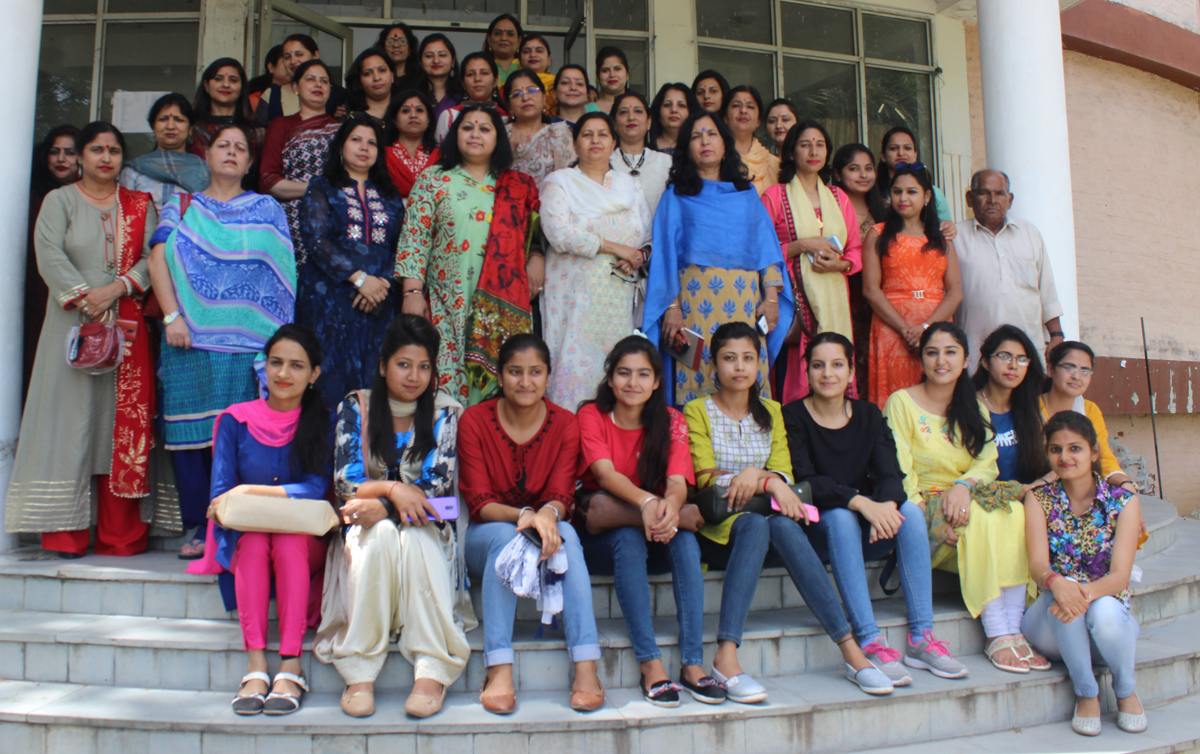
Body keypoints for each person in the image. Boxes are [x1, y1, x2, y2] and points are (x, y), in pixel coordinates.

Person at [686, 323, 895, 697]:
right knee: (754, 523)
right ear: (713, 366)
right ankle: (726, 655)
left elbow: (786, 470)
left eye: (748, 358)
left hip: (769, 523)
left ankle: (851, 651)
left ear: (760, 365)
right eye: (729, 358)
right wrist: (763, 479)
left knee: (780, 527)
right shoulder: (696, 410)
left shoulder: (772, 411)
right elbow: (706, 478)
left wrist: (767, 478)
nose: (739, 367)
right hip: (722, 530)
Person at [7, 122, 157, 558]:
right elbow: (47, 251)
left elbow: (154, 256)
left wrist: (117, 289)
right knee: (67, 424)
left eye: (113, 150)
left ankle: (120, 536)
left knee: (119, 427)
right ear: (81, 158)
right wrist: (84, 297)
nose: (105, 157)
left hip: (126, 327)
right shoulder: (60, 200)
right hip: (70, 327)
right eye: (96, 150)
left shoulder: (139, 205)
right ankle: (64, 535)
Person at [149, 123, 296, 561]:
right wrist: (173, 316)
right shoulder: (183, 204)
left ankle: (235, 523)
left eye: (240, 149)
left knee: (235, 438)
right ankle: (200, 524)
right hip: (188, 339)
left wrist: (276, 345)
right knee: (191, 436)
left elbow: (282, 272)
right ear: (207, 157)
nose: (231, 153)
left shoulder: (268, 208)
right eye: (222, 146)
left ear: (250, 163)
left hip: (250, 346)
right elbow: (158, 259)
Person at [315, 315, 473, 720]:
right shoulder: (358, 406)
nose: (414, 376)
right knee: (381, 534)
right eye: (404, 364)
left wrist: (382, 502)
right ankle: (359, 669)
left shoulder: (445, 412)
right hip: (370, 534)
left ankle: (432, 668)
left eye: (424, 367)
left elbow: (439, 494)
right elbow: (346, 486)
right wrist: (393, 489)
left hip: (428, 532)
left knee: (414, 535)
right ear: (384, 364)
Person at [785, 332, 964, 686]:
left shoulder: (868, 414)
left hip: (867, 526)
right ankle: (869, 639)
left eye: (837, 365)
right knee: (839, 516)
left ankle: (921, 638)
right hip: (820, 530)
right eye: (818, 365)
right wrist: (860, 502)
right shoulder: (792, 416)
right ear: (807, 372)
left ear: (851, 372)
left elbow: (889, 472)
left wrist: (884, 506)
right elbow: (806, 481)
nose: (827, 374)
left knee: (910, 511)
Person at [458, 334, 605, 714]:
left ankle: (586, 666)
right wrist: (526, 516)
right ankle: (499, 667)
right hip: (487, 537)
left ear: (548, 376)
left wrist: (546, 515)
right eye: (515, 372)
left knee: (568, 533)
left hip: (546, 536)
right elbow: (479, 503)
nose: (525, 382)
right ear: (500, 375)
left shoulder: (564, 423)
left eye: (535, 372)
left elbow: (561, 494)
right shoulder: (475, 420)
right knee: (510, 537)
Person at [575, 336, 715, 707]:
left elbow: (678, 480)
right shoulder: (591, 415)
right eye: (623, 373)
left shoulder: (671, 420)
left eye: (642, 375)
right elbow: (604, 476)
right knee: (627, 536)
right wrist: (651, 504)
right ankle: (651, 664)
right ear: (610, 378)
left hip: (657, 529)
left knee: (684, 540)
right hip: (604, 538)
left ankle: (692, 664)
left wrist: (669, 505)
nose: (632, 383)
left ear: (656, 382)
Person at [885, 323, 1031, 676]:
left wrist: (963, 486)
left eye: (951, 352)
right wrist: (932, 522)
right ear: (921, 359)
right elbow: (900, 471)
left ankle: (1016, 627)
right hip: (926, 511)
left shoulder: (973, 406)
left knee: (1013, 511)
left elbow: (987, 460)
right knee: (986, 516)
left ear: (966, 360)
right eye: (932, 352)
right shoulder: (901, 403)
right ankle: (997, 631)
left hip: (967, 499)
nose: (941, 360)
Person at [208, 325, 331, 717]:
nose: (283, 374)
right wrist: (241, 499)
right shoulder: (235, 420)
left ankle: (291, 662)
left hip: (304, 539)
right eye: (276, 362)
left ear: (314, 374)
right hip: (249, 536)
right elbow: (221, 491)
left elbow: (316, 487)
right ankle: (257, 664)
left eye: (297, 366)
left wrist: (253, 494)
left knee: (290, 541)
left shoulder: (322, 421)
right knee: (260, 541)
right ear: (263, 367)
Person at [642, 110, 794, 405]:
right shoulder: (676, 195)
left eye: (711, 134)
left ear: (725, 144)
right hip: (693, 307)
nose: (704, 141)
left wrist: (772, 299)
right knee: (696, 377)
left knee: (743, 375)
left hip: (746, 305)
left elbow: (768, 253)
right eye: (696, 136)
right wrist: (672, 308)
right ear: (686, 148)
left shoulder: (746, 193)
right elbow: (664, 256)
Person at [396, 104, 540, 405]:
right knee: (445, 379)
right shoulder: (434, 178)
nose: (475, 134)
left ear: (498, 139)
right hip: (447, 301)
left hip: (500, 306)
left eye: (485, 128)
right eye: (467, 127)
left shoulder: (516, 186)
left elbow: (531, 238)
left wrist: (537, 258)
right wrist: (412, 291)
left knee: (501, 381)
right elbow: (415, 236)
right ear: (454, 135)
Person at [1023, 411, 1146, 736]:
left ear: (1093, 452)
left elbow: (1120, 576)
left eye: (1075, 448)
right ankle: (1087, 693)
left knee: (1102, 610)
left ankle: (1125, 689)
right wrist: (1056, 584)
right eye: (1056, 449)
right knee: (1064, 606)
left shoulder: (1122, 502)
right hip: (1049, 621)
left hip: (1107, 623)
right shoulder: (1039, 500)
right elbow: (1038, 565)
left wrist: (1077, 594)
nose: (1064, 457)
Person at [540, 112, 652, 409]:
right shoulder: (559, 182)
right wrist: (618, 248)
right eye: (587, 134)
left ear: (614, 142)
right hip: (574, 295)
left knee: (615, 365)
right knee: (571, 365)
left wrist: (637, 256)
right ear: (575, 144)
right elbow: (558, 233)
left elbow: (645, 234)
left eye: (603, 134)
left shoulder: (631, 186)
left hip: (616, 296)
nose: (595, 140)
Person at [297, 116, 403, 410]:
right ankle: (325, 452)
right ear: (341, 146)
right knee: (327, 380)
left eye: (372, 142)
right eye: (356, 139)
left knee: (375, 378)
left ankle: (369, 453)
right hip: (329, 299)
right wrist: (359, 280)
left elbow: (402, 246)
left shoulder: (390, 195)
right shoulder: (321, 186)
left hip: (380, 300)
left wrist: (380, 283)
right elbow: (316, 240)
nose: (364, 148)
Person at [760, 120, 862, 403]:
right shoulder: (775, 196)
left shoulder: (838, 197)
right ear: (791, 152)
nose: (813, 151)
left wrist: (839, 265)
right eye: (805, 144)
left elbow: (854, 250)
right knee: (796, 377)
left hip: (834, 299)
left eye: (820, 144)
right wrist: (802, 245)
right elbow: (759, 251)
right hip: (792, 301)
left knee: (832, 366)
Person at [863, 164, 962, 409]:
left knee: (936, 398)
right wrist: (907, 329)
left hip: (936, 328)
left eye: (912, 191)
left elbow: (956, 291)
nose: (903, 198)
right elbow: (871, 291)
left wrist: (926, 328)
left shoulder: (941, 238)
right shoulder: (877, 234)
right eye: (897, 192)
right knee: (894, 401)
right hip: (892, 328)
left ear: (927, 196)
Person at [955, 169, 1065, 369]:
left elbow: (1046, 290)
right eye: (983, 193)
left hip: (1027, 353)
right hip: (974, 355)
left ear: (1010, 199)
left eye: (999, 193)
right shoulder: (955, 238)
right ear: (969, 199)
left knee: (1027, 399)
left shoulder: (1030, 234)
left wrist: (1056, 334)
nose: (992, 200)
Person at [259, 59, 341, 268]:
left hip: (337, 218)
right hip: (291, 223)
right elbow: (268, 181)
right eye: (310, 79)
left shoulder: (344, 131)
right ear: (295, 87)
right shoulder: (281, 125)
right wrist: (318, 188)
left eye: (324, 81)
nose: (318, 85)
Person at [25, 124, 80, 398]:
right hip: (37, 288)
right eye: (54, 152)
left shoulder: (96, 196)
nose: (61, 159)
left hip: (84, 293)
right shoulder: (30, 195)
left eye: (70, 152)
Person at [831, 143, 888, 399]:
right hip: (841, 298)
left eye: (868, 168)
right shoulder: (828, 212)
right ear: (838, 174)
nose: (863, 175)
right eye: (854, 169)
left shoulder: (886, 212)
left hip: (879, 304)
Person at [1040, 341, 1136, 491]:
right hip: (1036, 490)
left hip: (1078, 492)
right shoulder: (1031, 409)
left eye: (1085, 370)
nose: (1077, 376)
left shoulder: (1089, 410)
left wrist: (1125, 484)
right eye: (1069, 367)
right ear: (1051, 369)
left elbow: (1104, 457)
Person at [973, 325, 1051, 486]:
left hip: (1026, 499)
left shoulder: (1031, 408)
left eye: (1022, 359)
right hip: (981, 501)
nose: (1013, 365)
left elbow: (1054, 458)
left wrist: (1036, 486)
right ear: (986, 362)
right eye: (1004, 356)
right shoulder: (968, 406)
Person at [120, 93, 211, 214]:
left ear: (190, 128)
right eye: (163, 119)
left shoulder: (205, 171)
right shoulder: (134, 170)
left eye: (179, 120)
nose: (170, 126)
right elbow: (123, 215)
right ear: (153, 126)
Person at [254, 34, 348, 125]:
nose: (293, 61)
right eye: (287, 57)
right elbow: (258, 134)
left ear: (315, 55)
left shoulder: (338, 94)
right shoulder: (272, 93)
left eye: (299, 54)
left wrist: (337, 120)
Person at [875, 126, 954, 231]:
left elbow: (946, 231)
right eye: (894, 148)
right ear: (883, 155)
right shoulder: (874, 191)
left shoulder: (935, 193)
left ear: (915, 154)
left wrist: (950, 228)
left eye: (907, 148)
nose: (901, 153)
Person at [505, 70, 574, 186]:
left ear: (544, 98)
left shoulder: (561, 133)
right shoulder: (500, 133)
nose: (526, 97)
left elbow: (572, 177)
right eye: (517, 94)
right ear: (509, 105)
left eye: (532, 90)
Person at [189, 58, 265, 164]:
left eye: (233, 80)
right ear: (206, 85)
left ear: (242, 86)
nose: (225, 84)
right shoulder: (191, 128)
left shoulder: (256, 132)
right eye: (218, 79)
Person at [609, 91, 672, 214]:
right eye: (623, 112)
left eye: (638, 111)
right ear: (614, 124)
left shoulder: (667, 162)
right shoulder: (604, 162)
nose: (631, 117)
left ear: (649, 122)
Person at [434, 52, 506, 144]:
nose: (477, 78)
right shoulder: (450, 116)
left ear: (495, 81)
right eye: (470, 74)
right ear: (463, 84)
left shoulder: (505, 118)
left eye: (484, 73)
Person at [383, 89, 440, 201]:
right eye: (405, 111)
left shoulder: (441, 156)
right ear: (394, 119)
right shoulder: (381, 155)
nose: (413, 115)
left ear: (429, 119)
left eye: (419, 110)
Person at [722, 86, 777, 195]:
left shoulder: (774, 165)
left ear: (759, 120)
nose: (743, 110)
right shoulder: (715, 160)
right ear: (725, 117)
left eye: (750, 106)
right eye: (736, 105)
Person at [344, 46, 397, 127]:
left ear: (392, 76)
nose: (376, 78)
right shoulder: (350, 116)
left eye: (382, 70)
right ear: (359, 82)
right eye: (367, 73)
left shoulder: (405, 111)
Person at [416, 34, 464, 118]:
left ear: (453, 61)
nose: (436, 60)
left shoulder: (463, 93)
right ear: (420, 62)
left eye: (442, 55)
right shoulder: (412, 94)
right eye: (429, 56)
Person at [647, 83, 698, 156]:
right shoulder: (645, 149)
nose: (674, 110)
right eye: (667, 105)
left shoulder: (698, 147)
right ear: (658, 111)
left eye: (681, 105)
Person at [518, 34, 557, 113]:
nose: (533, 55)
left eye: (539, 51)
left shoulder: (558, 84)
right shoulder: (512, 86)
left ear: (549, 59)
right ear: (519, 60)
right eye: (526, 51)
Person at [483, 13, 523, 84]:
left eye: (510, 34)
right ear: (489, 39)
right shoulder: (480, 69)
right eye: (498, 33)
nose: (504, 38)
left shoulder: (528, 69)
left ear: (519, 41)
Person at [594, 46, 630, 114]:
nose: (612, 75)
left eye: (617, 69)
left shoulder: (643, 109)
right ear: (598, 76)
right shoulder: (585, 111)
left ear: (627, 74)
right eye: (605, 70)